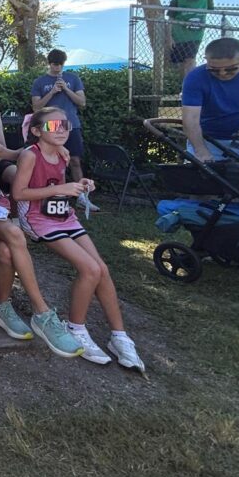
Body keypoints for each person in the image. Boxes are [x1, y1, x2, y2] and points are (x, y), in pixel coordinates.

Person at [13, 108, 145, 371]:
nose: (61, 129)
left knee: (102, 269)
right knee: (90, 269)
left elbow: (57, 186)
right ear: (37, 131)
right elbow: (19, 194)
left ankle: (119, 336)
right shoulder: (30, 155)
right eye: (53, 125)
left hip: (64, 216)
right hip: (38, 219)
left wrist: (80, 184)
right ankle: (76, 328)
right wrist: (60, 188)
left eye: (65, 124)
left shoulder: (63, 155)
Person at [0, 111, 82, 356]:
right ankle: (41, 311)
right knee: (14, 233)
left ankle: (2, 307)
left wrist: (55, 147)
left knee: (7, 251)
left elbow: (23, 154)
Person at [30, 49, 99, 212]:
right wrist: (52, 92)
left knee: (75, 160)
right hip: (49, 128)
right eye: (55, 64)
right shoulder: (40, 82)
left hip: (71, 125)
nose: (58, 67)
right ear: (49, 63)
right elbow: (36, 107)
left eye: (61, 64)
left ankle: (82, 198)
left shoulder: (73, 79)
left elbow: (82, 102)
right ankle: (52, 196)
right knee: (48, 161)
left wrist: (66, 90)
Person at [166, 0, 214, 78]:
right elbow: (170, 20)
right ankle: (184, 83)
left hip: (196, 35)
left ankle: (190, 84)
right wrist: (169, 38)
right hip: (178, 36)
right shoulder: (177, 0)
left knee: (190, 60)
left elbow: (210, 10)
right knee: (180, 64)